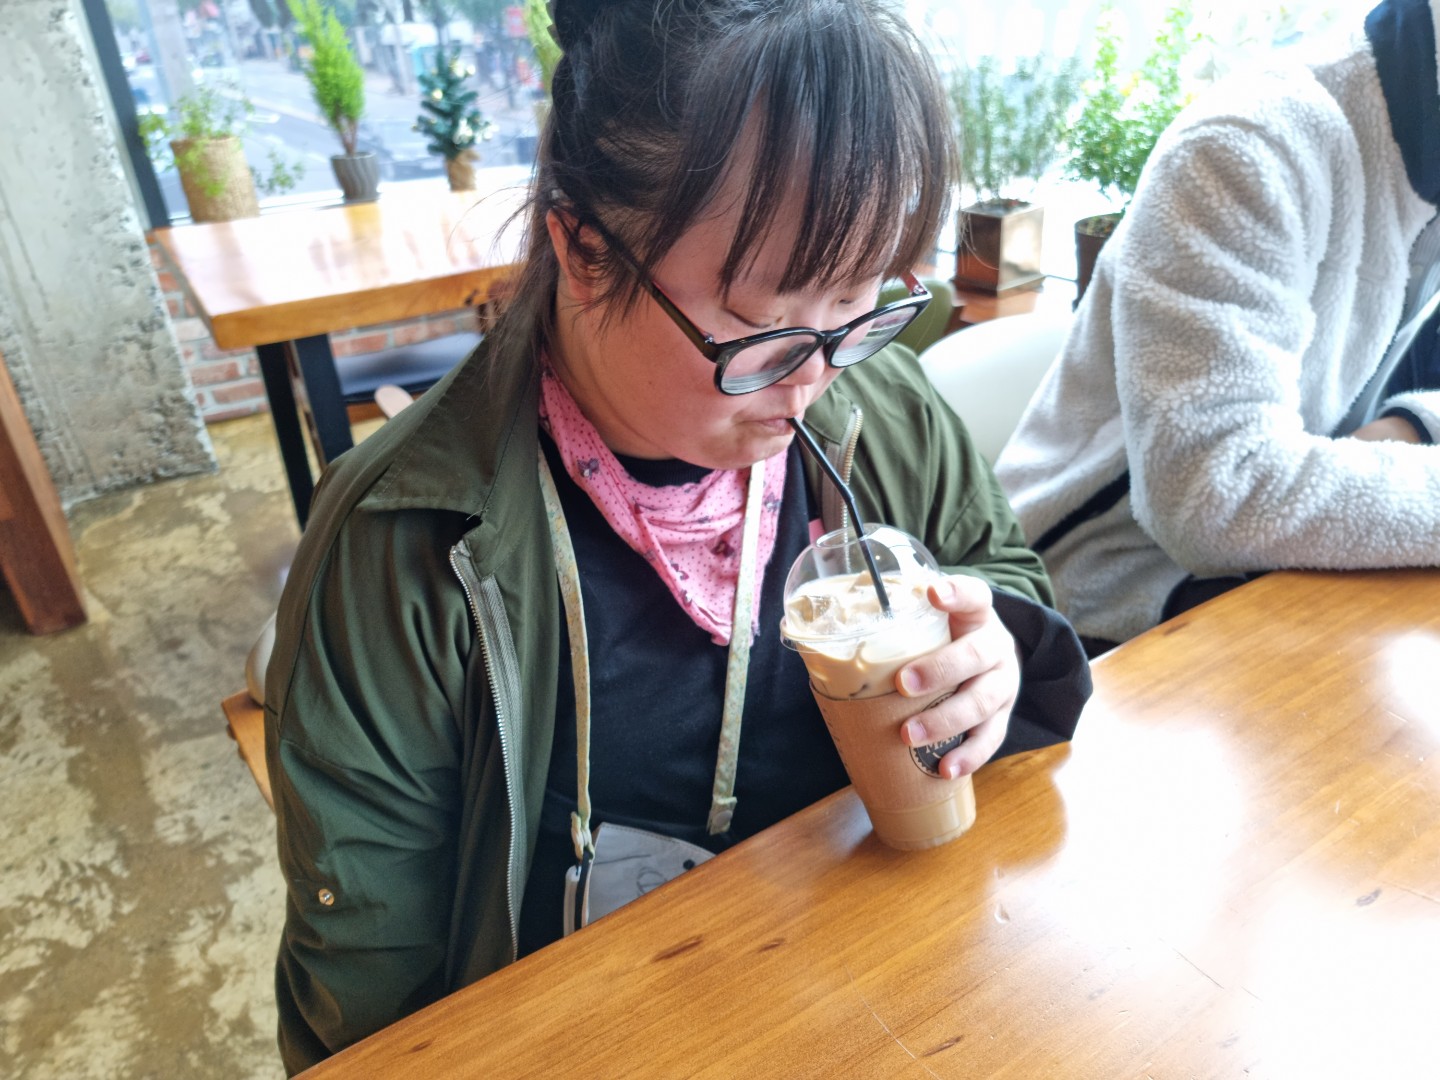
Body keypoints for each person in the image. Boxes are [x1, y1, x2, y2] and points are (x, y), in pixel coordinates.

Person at [264, 0, 1090, 1071]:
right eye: (763, 325)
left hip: (900, 991)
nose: (816, 377)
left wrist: (992, 658)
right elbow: (372, 1004)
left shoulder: (880, 408)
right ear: (582, 249)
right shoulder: (400, 548)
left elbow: (1003, 578)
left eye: (859, 303)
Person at [996, 0, 1440, 655]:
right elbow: (1214, 494)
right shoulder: (1249, 146)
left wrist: (1412, 425)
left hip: (1266, 577)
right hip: (1088, 602)